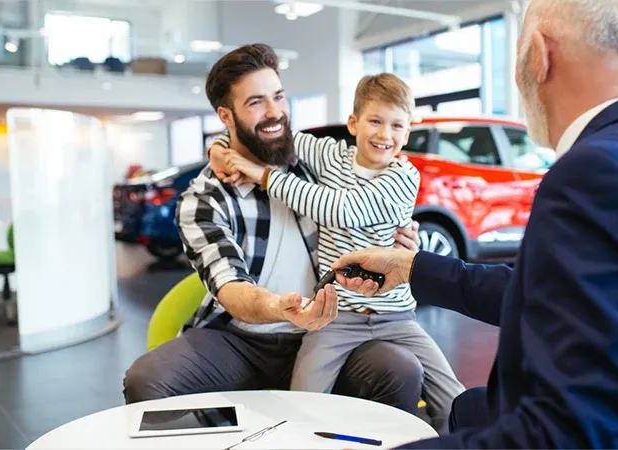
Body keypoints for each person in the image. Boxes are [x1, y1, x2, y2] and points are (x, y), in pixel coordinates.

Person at [331, 0, 618, 447]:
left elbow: (563, 434)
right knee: (469, 406)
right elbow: (555, 294)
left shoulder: (593, 174)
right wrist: (412, 266)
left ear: (539, 55)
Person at [122, 44, 426, 414]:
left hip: (331, 329)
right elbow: (230, 288)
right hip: (240, 340)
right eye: (255, 103)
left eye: (278, 97)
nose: (274, 112)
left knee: (400, 370)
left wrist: (406, 237)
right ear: (226, 115)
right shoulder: (205, 198)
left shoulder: (315, 166)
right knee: (148, 379)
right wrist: (278, 308)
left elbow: (373, 200)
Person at [208, 72, 465, 432]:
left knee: (452, 398)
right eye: (375, 121)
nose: (384, 135)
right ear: (353, 123)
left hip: (397, 316)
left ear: (407, 134)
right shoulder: (329, 156)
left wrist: (263, 176)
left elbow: (341, 209)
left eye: (396, 126)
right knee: (302, 402)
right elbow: (268, 138)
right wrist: (219, 148)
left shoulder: (405, 176)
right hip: (336, 316)